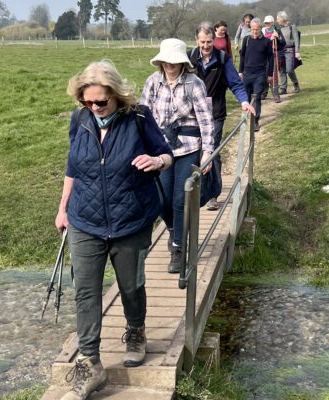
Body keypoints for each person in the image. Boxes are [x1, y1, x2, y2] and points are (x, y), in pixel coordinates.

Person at [56, 60, 173, 400]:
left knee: (131, 286)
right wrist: (63, 208)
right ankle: (90, 364)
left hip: (130, 219)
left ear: (117, 96)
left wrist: (156, 162)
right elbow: (72, 165)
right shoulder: (80, 120)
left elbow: (165, 154)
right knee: (86, 292)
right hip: (85, 220)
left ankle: (136, 332)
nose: (94, 108)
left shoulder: (138, 118)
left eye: (100, 102)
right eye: (87, 102)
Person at [140, 38, 214, 273]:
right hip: (161, 149)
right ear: (160, 61)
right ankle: (174, 229)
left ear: (182, 63)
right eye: (166, 60)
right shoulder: (153, 83)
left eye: (174, 61)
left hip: (188, 146)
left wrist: (208, 152)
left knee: (181, 198)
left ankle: (178, 247)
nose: (170, 65)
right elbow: (144, 118)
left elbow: (205, 120)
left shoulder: (194, 84)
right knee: (161, 201)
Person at [190, 25, 256, 211]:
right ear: (197, 40)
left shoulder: (222, 59)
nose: (205, 46)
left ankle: (212, 195)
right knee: (195, 151)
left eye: (209, 42)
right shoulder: (188, 59)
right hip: (191, 115)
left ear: (214, 40)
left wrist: (244, 101)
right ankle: (195, 192)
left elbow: (235, 83)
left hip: (215, 113)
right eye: (202, 42)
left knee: (212, 150)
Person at [239, 17, 274, 132]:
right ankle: (248, 116)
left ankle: (255, 121)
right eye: (253, 29)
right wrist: (240, 71)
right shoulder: (246, 40)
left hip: (260, 73)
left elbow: (271, 58)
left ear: (261, 29)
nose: (255, 32)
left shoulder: (266, 42)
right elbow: (242, 56)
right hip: (247, 72)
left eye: (257, 30)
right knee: (246, 97)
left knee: (257, 96)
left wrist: (269, 74)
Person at [260, 15, 285, 102]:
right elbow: (261, 44)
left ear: (272, 23)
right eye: (265, 23)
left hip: (274, 55)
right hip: (264, 56)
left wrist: (278, 37)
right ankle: (264, 92)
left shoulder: (277, 30)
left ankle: (275, 94)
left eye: (268, 23)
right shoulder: (262, 31)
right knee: (264, 74)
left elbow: (283, 42)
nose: (267, 24)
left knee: (274, 75)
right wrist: (270, 39)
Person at [276, 11, 301, 94]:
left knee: (289, 69)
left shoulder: (292, 26)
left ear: (283, 18)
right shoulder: (278, 29)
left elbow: (296, 39)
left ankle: (296, 84)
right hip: (281, 51)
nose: (277, 21)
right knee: (282, 70)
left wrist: (297, 51)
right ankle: (283, 88)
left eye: (278, 19)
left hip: (290, 50)